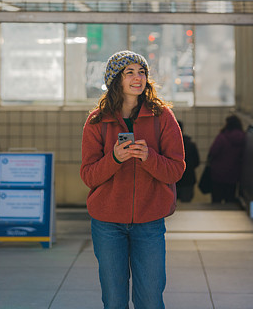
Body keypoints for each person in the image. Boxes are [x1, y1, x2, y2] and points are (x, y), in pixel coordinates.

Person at [80, 50, 186, 309]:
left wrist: (149, 158)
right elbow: (88, 175)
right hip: (107, 224)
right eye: (130, 72)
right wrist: (114, 159)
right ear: (116, 79)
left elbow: (176, 170)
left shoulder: (163, 117)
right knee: (114, 300)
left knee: (150, 300)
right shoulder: (97, 121)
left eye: (142, 72)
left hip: (149, 223)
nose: (138, 78)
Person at [206, 114, 245, 204]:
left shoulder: (222, 137)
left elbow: (213, 151)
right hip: (234, 174)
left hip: (218, 173)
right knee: (230, 198)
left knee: (216, 199)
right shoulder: (244, 138)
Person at [175, 120, 200, 202]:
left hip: (173, 180)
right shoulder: (191, 144)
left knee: (170, 208)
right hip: (188, 179)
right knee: (186, 206)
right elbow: (197, 162)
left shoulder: (166, 144)